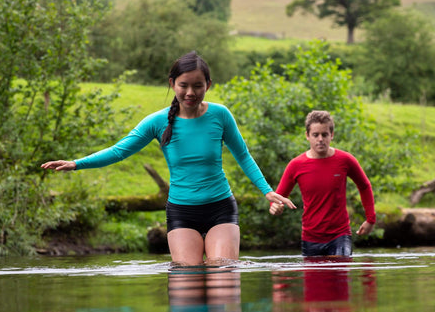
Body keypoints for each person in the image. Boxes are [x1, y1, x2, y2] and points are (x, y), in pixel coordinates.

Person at [41, 51, 295, 266]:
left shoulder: (220, 115)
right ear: (172, 83)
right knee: (187, 284)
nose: (191, 92)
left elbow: (243, 155)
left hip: (220, 208)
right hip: (181, 212)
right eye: (184, 85)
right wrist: (76, 164)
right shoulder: (157, 121)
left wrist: (266, 191)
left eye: (198, 85)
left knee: (223, 277)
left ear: (208, 84)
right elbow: (120, 151)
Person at [269, 110, 375, 257]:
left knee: (338, 270)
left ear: (331, 135)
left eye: (324, 135)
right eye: (315, 135)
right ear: (307, 136)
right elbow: (278, 196)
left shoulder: (345, 160)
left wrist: (371, 219)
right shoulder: (296, 165)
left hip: (340, 235)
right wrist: (274, 206)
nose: (320, 139)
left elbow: (364, 185)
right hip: (311, 238)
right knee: (316, 278)